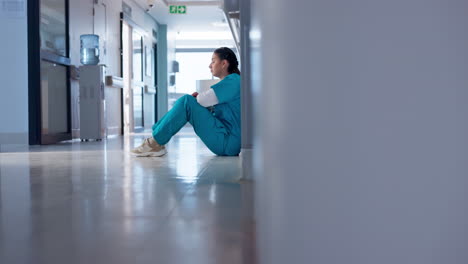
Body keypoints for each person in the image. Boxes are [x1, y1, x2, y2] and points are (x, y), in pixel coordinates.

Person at [130, 47, 241, 157]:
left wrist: (196, 99)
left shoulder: (233, 81)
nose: (210, 65)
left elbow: (202, 100)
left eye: (213, 61)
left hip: (227, 141)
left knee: (187, 101)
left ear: (224, 63)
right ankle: (155, 140)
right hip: (228, 140)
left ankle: (154, 143)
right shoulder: (234, 80)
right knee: (188, 101)